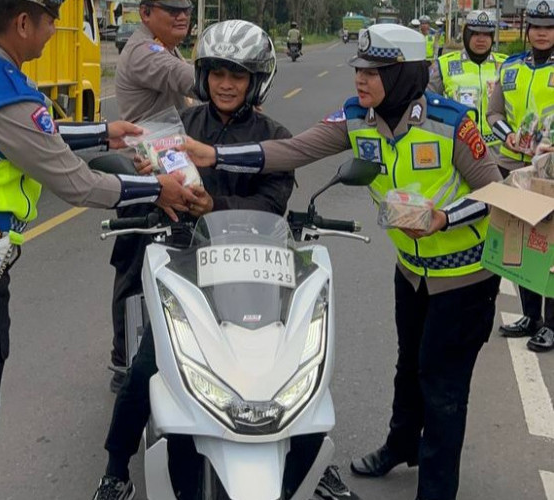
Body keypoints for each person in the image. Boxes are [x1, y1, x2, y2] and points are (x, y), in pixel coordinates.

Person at [0, 1, 196, 499]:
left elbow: (21, 136)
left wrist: (101, 131)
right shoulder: (5, 93)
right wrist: (156, 189)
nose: (54, 31)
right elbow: (75, 184)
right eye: (50, 20)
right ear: (23, 22)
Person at [181, 23, 502, 500]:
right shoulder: (357, 119)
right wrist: (216, 154)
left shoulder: (453, 122)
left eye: (376, 71)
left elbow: (496, 194)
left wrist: (443, 217)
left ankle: (436, 491)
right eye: (360, 69)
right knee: (408, 366)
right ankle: (400, 445)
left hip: (464, 278)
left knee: (443, 388)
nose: (361, 79)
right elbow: (291, 150)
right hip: (412, 272)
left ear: (405, 75)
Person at [91, 20, 358, 500]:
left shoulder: (274, 138)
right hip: (186, 268)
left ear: (257, 79)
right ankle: (115, 469)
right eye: (216, 73)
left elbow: (273, 203)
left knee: (296, 365)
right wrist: (151, 184)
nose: (226, 84)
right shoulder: (179, 128)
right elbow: (149, 189)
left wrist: (216, 207)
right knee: (149, 365)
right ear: (203, 76)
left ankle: (314, 462)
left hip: (257, 269)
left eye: (238, 74)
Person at [109, 0, 196, 392]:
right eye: (171, 8)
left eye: (187, 8)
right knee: (133, 268)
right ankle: (122, 358)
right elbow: (186, 80)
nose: (182, 15)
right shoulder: (147, 52)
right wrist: (233, 76)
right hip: (141, 177)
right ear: (145, 14)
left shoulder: (168, 47)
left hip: (168, 170)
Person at [487, 0, 554, 352]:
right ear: (528, 30)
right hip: (514, 167)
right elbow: (493, 112)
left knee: (551, 249)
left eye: (549, 26)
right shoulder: (511, 67)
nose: (542, 32)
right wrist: (508, 136)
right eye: (537, 25)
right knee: (523, 246)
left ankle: (553, 324)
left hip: (551, 174)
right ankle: (532, 316)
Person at [428, 10, 507, 151]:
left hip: (499, 149)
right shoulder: (444, 64)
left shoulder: (506, 65)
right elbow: (428, 101)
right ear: (466, 35)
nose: (481, 39)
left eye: (486, 34)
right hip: (459, 147)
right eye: (475, 34)